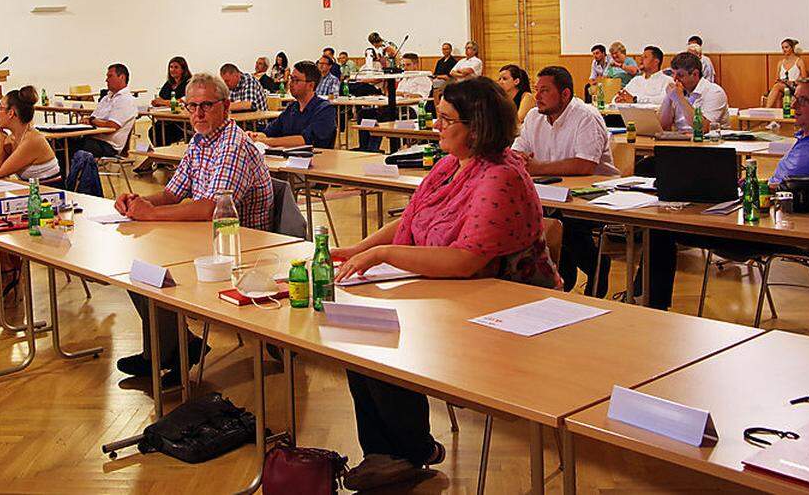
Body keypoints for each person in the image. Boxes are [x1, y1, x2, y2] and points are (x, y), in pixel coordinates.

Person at [332, 77, 559, 491]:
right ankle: (391, 452)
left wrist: (383, 255)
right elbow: (413, 220)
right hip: (455, 292)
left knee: (382, 332)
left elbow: (465, 259)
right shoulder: (450, 164)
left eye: (445, 119)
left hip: (505, 308)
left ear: (477, 127)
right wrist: (357, 249)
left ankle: (408, 449)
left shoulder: (499, 176)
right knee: (358, 327)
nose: (435, 126)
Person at [114, 73, 273, 386]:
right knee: (136, 265)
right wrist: (138, 202)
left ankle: (175, 351)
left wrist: (150, 215)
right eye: (191, 107)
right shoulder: (200, 141)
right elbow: (173, 193)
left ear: (226, 107)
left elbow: (212, 209)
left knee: (158, 268)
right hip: (204, 238)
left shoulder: (233, 145)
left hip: (240, 248)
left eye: (206, 106)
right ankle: (169, 349)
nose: (198, 114)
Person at [643, 77, 809, 311]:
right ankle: (647, 304)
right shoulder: (802, 140)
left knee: (663, 231)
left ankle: (652, 308)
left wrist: (769, 189)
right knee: (660, 225)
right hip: (760, 214)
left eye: (803, 100)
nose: (794, 107)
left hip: (777, 228)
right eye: (795, 99)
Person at [512, 66, 619, 296]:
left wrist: (538, 167)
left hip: (596, 194)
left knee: (563, 221)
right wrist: (522, 160)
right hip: (552, 192)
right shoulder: (533, 117)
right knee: (525, 215)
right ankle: (557, 278)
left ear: (565, 95)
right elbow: (517, 153)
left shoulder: (586, 116)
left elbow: (584, 165)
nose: (537, 96)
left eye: (545, 91)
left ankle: (594, 267)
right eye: (536, 90)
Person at [0, 86, 60, 181]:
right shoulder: (12, 138)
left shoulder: (32, 140)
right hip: (31, 191)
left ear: (11, 113)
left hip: (48, 193)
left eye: (0, 108)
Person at [248, 61, 336, 148]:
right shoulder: (292, 108)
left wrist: (266, 141)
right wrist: (255, 136)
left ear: (311, 85)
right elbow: (270, 131)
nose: (291, 83)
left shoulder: (325, 109)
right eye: (291, 79)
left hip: (317, 159)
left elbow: (305, 140)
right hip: (288, 159)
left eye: (296, 80)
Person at [73, 63, 137, 157]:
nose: (106, 80)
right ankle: (65, 171)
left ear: (122, 77)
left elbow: (112, 126)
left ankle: (68, 171)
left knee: (71, 146)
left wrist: (92, 121)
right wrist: (88, 120)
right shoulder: (106, 98)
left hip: (108, 145)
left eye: (110, 76)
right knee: (62, 142)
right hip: (94, 138)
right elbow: (93, 118)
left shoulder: (126, 100)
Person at [659, 52, 729, 132]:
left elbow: (703, 128)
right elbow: (662, 126)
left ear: (695, 74)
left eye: (680, 75)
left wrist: (680, 98)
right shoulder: (676, 91)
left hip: (709, 141)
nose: (675, 79)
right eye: (673, 74)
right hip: (681, 140)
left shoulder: (715, 92)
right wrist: (669, 98)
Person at [765, 39, 809, 108]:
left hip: (794, 86)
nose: (784, 50)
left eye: (786, 47)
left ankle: (766, 109)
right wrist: (781, 81)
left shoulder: (799, 61)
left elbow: (804, 79)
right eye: (782, 48)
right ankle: (779, 117)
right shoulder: (780, 63)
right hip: (782, 86)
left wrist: (791, 82)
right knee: (778, 92)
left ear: (792, 48)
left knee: (777, 87)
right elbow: (777, 79)